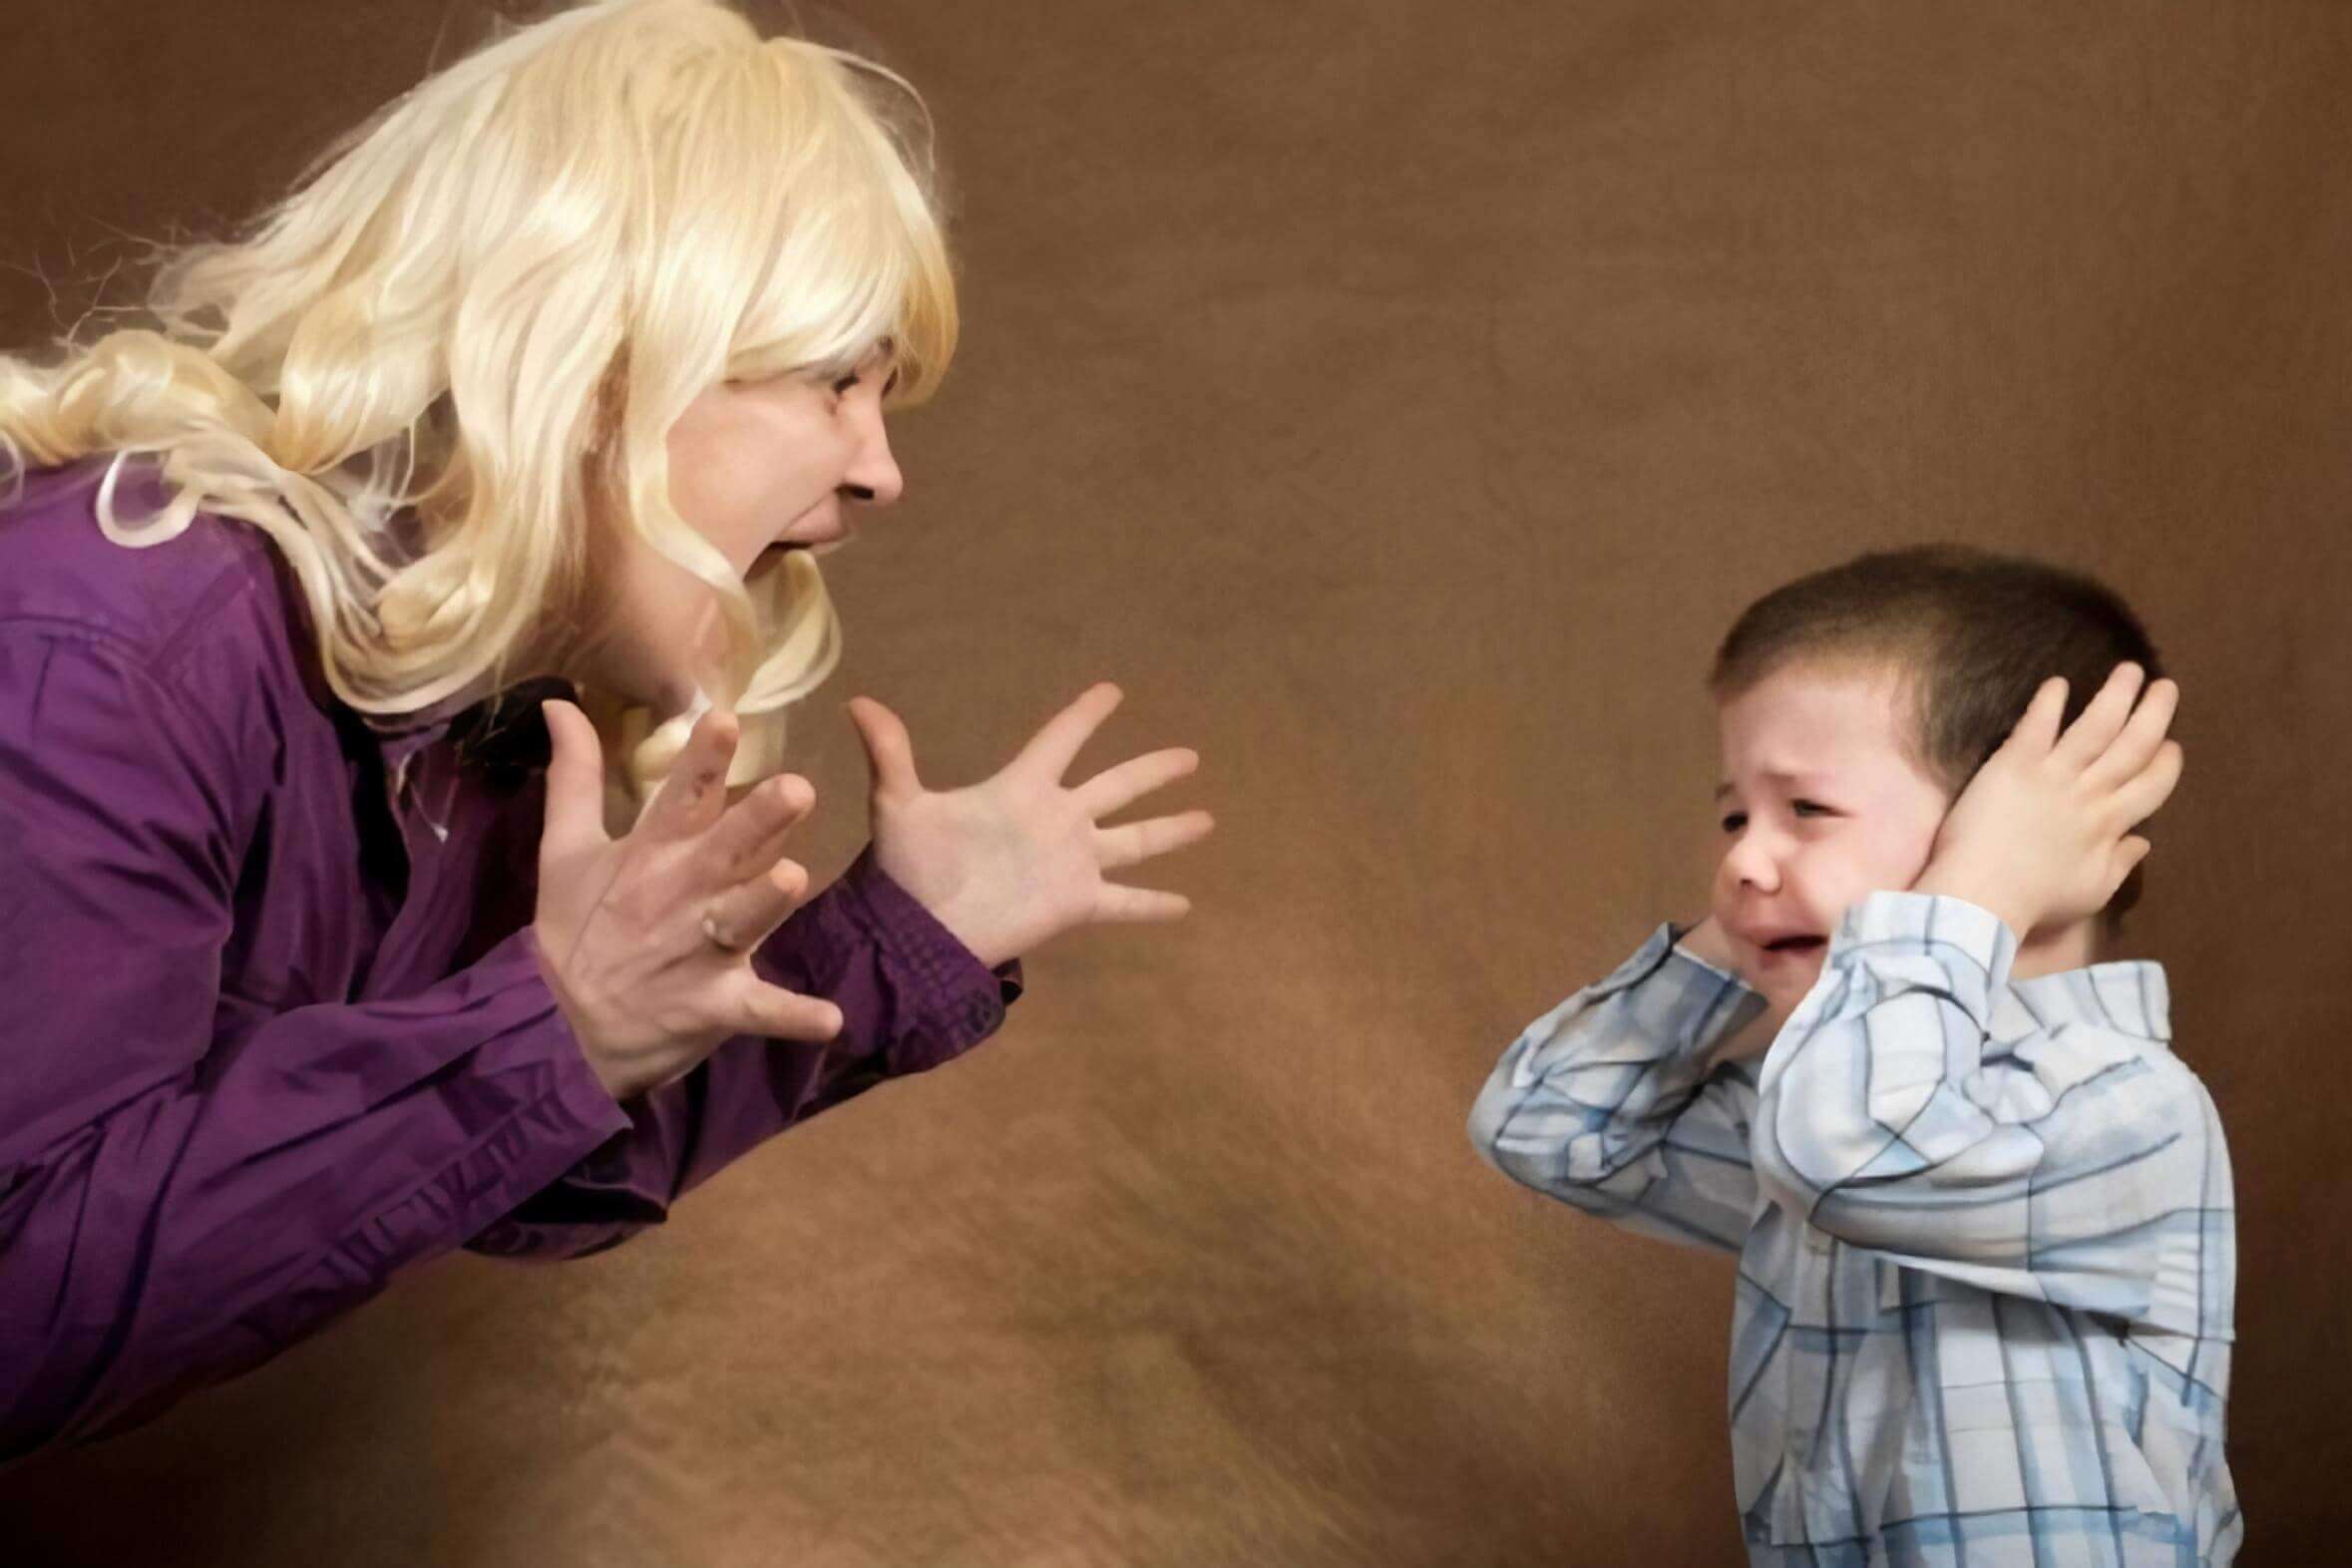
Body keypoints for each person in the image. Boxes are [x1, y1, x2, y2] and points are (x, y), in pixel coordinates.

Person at [0, 0, 1211, 1460]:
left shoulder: (470, 718)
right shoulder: (110, 638)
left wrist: (895, 945)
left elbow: (501, 1175)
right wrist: (545, 1031)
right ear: (596, 360)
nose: (883, 470)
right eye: (839, 377)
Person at [1468, 546, 2237, 1564]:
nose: (1739, 857)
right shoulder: (1814, 1102)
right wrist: (1746, 929)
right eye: (1736, 815)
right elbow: (1549, 1128)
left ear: (2021, 834)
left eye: (1807, 811)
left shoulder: (2125, 1111)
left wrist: (1977, 888)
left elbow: (1853, 1156)